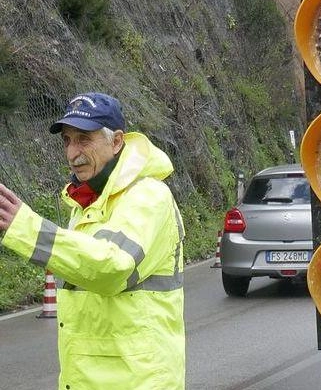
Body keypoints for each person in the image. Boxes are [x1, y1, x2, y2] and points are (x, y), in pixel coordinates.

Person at [0, 92, 186, 389]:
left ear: (116, 141)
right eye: (67, 140)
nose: (73, 153)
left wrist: (29, 229)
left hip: (137, 381)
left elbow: (111, 266)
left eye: (84, 139)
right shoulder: (86, 203)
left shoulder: (147, 195)